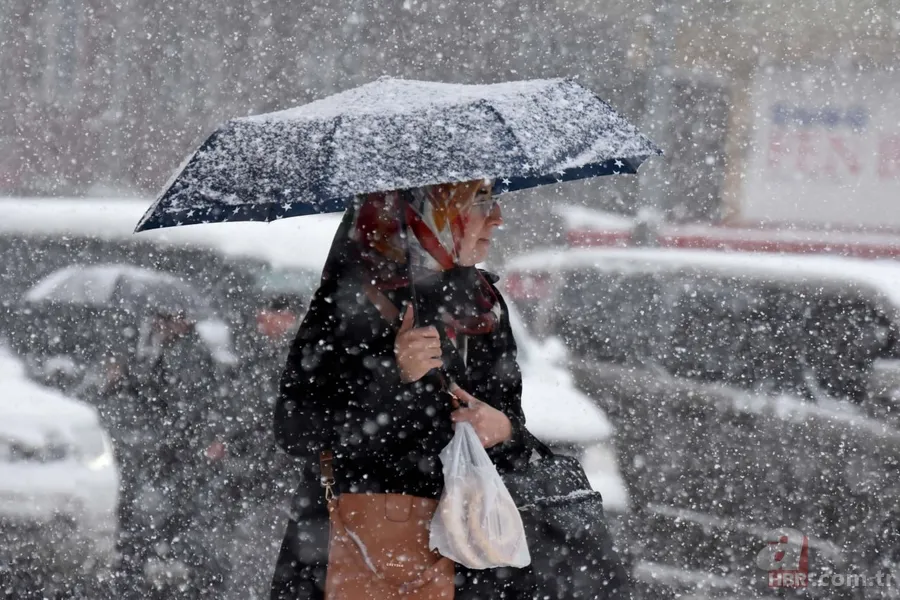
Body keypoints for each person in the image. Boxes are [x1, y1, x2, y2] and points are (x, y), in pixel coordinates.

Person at [270, 180, 535, 599]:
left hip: (469, 559)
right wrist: (396, 378)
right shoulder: (347, 303)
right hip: (359, 554)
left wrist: (503, 430)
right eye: (481, 201)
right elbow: (296, 429)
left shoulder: (484, 307)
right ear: (426, 209)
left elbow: (517, 433)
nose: (498, 217)